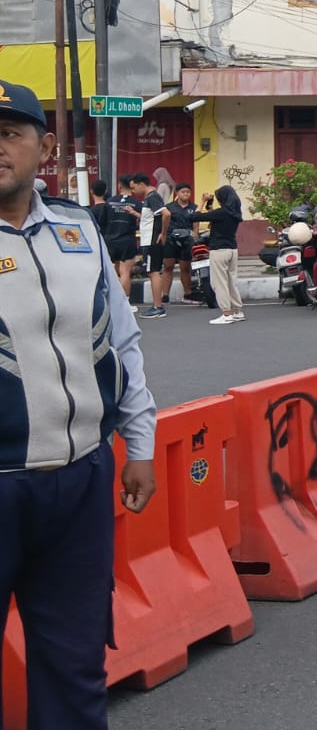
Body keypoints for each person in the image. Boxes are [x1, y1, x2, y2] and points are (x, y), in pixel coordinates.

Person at [0, 79, 158, 729]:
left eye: (9, 133)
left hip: (82, 479)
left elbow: (121, 337)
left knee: (75, 661)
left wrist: (139, 444)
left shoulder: (77, 228)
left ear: (46, 147)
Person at [190, 186, 245, 324]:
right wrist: (210, 206)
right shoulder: (234, 212)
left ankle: (226, 314)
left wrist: (202, 202)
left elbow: (195, 216)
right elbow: (215, 215)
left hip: (219, 250)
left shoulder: (222, 213)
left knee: (219, 283)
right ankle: (238, 311)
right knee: (231, 282)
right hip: (232, 250)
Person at [130, 173, 171, 318]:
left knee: (154, 272)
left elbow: (166, 214)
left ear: (141, 184)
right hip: (149, 240)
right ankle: (157, 305)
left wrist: (163, 233)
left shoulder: (153, 197)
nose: (133, 191)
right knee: (152, 272)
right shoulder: (149, 198)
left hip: (152, 241)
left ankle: (157, 307)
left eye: (134, 187)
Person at [90, 178, 139, 297]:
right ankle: (125, 301)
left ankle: (116, 299)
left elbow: (102, 222)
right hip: (127, 240)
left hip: (111, 240)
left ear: (119, 186)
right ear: (132, 186)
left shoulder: (109, 202)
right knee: (125, 272)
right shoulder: (136, 203)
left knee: (116, 270)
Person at [163, 182, 202, 305]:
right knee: (168, 267)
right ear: (177, 194)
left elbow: (196, 224)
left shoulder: (193, 207)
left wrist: (195, 236)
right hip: (170, 240)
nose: (185, 194)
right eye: (183, 192)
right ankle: (165, 296)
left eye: (188, 192)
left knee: (185, 268)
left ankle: (187, 294)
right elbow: (164, 222)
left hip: (186, 241)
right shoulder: (169, 207)